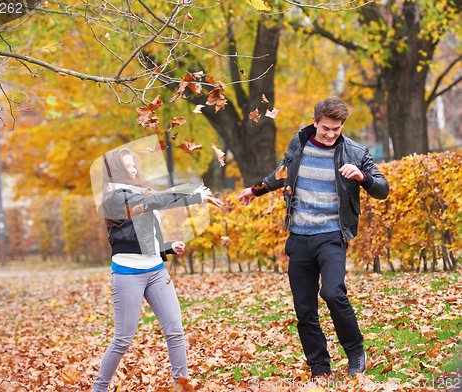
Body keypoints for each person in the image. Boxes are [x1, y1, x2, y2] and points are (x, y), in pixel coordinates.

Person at [238, 97, 389, 378]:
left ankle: (355, 351)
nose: (331, 134)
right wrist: (255, 189)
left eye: (337, 129)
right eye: (326, 128)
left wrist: (362, 178)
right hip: (300, 237)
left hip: (332, 235)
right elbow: (282, 174)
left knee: (332, 293)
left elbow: (382, 188)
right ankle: (320, 367)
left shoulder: (355, 153)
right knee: (304, 309)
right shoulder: (298, 145)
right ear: (315, 122)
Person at [93, 148, 222, 391]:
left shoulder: (137, 193)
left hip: (156, 271)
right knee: (123, 339)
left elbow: (144, 239)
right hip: (128, 273)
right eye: (127, 166)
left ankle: (181, 386)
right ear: (115, 171)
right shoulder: (114, 198)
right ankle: (99, 387)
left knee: (175, 330)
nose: (133, 170)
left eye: (133, 165)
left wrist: (168, 247)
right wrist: (195, 197)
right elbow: (151, 205)